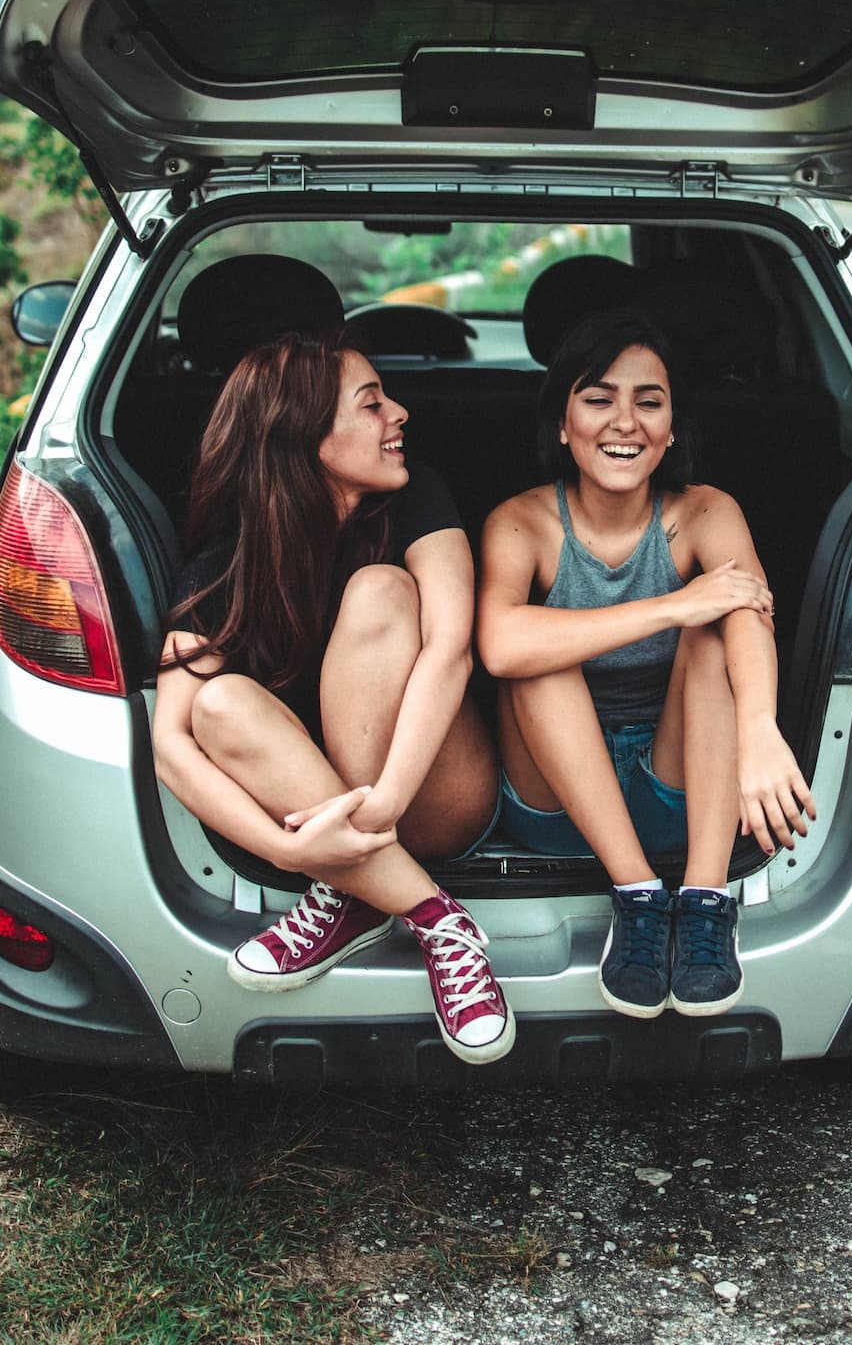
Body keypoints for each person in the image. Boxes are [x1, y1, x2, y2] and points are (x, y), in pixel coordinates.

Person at [153, 330, 515, 1065]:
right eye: (373, 404)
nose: (400, 414)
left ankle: (350, 891)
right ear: (307, 435)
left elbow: (452, 649)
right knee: (215, 704)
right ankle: (432, 917)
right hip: (323, 826)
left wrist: (377, 810)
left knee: (380, 590)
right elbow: (170, 745)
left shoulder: (420, 502)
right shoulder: (224, 565)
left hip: (435, 793)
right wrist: (293, 849)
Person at [476, 309, 816, 1020]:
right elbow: (501, 646)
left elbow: (750, 610)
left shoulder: (706, 510)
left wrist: (759, 730)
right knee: (541, 652)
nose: (624, 421)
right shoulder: (521, 521)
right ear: (563, 424)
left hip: (682, 796)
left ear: (671, 431)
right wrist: (671, 605)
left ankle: (702, 899)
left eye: (649, 402)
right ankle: (637, 896)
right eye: (598, 398)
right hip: (557, 802)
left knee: (717, 633)